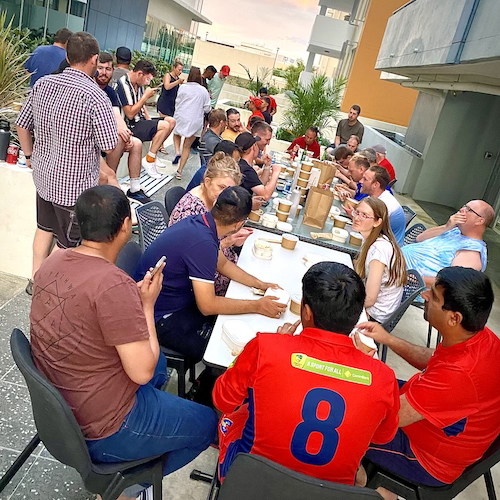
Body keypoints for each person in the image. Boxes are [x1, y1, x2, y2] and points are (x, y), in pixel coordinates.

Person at [29, 185, 217, 500]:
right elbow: (141, 373)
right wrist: (146, 305)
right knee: (207, 423)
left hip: (60, 406)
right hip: (104, 425)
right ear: (124, 228)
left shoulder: (52, 260)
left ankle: (139, 449)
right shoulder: (113, 284)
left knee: (158, 367)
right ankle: (124, 488)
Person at [214, 262, 399, 484]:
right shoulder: (383, 376)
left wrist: (277, 346)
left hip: (253, 482)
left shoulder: (266, 347)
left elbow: (222, 399)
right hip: (329, 492)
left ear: (307, 311)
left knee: (235, 415)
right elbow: (381, 436)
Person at [357, 267, 500, 499]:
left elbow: (388, 420)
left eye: (433, 296)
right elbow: (432, 358)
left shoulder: (458, 375)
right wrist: (387, 338)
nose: (424, 296)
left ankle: (364, 485)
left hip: (425, 458)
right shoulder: (479, 337)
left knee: (340, 424)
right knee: (365, 380)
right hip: (428, 422)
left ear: (454, 317)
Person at [16, 32, 117, 295]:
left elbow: (21, 124)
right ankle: (48, 288)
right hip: (73, 186)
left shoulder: (43, 85)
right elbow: (108, 144)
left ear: (68, 55)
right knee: (66, 243)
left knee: (43, 229)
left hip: (43, 176)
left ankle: (35, 279)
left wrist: (28, 156)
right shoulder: (96, 96)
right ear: (94, 59)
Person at [135, 186, 284, 361]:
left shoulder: (202, 222)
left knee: (230, 326)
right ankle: (204, 385)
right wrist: (257, 305)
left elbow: (223, 263)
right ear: (238, 224)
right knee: (227, 353)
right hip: (158, 315)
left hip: (169, 301)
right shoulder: (202, 242)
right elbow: (207, 306)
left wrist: (259, 284)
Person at [169, 152, 252, 296]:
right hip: (195, 289)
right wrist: (227, 242)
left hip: (221, 269)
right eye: (221, 187)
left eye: (230, 190)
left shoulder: (212, 203)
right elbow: (197, 256)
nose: (225, 195)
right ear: (207, 182)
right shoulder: (192, 212)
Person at [95, 52, 151, 203]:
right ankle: (108, 184)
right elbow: (129, 113)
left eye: (108, 69)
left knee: (135, 143)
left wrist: (123, 130)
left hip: (106, 135)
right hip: (92, 139)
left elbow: (117, 115)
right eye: (100, 68)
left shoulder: (110, 91)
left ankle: (134, 188)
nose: (104, 73)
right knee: (119, 138)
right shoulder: (91, 88)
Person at [402, 201, 491, 287]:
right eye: (464, 206)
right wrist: (446, 227)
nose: (461, 209)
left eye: (468, 209)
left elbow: (450, 284)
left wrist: (405, 277)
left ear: (479, 221)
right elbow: (420, 237)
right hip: (396, 266)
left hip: (406, 284)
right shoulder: (455, 230)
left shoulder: (471, 252)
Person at [115, 59, 176, 179]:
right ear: (139, 74)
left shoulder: (138, 84)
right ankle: (149, 160)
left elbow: (141, 106)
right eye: (147, 79)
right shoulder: (123, 84)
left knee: (171, 121)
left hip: (140, 120)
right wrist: (145, 97)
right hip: (130, 125)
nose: (147, 82)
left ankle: (152, 154)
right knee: (164, 126)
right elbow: (130, 114)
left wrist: (148, 118)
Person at [353, 197, 406, 323]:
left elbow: (370, 299)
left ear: (377, 222)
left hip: (375, 316)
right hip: (373, 308)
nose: (357, 218)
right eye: (357, 212)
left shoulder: (379, 249)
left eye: (364, 215)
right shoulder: (373, 239)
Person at [171, 66, 211, 179]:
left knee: (176, 134)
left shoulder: (183, 87)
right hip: (195, 120)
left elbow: (177, 101)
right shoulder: (203, 91)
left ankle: (177, 151)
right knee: (187, 146)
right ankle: (179, 171)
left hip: (181, 116)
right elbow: (207, 108)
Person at [359, 166, 405, 246]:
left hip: (387, 250)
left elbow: (368, 231)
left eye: (365, 179)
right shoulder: (374, 197)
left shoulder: (385, 205)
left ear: (375, 184)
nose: (360, 181)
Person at [236, 132, 280, 200]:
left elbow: (259, 184)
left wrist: (267, 166)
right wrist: (276, 173)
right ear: (254, 147)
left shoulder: (242, 164)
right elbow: (265, 195)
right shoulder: (246, 170)